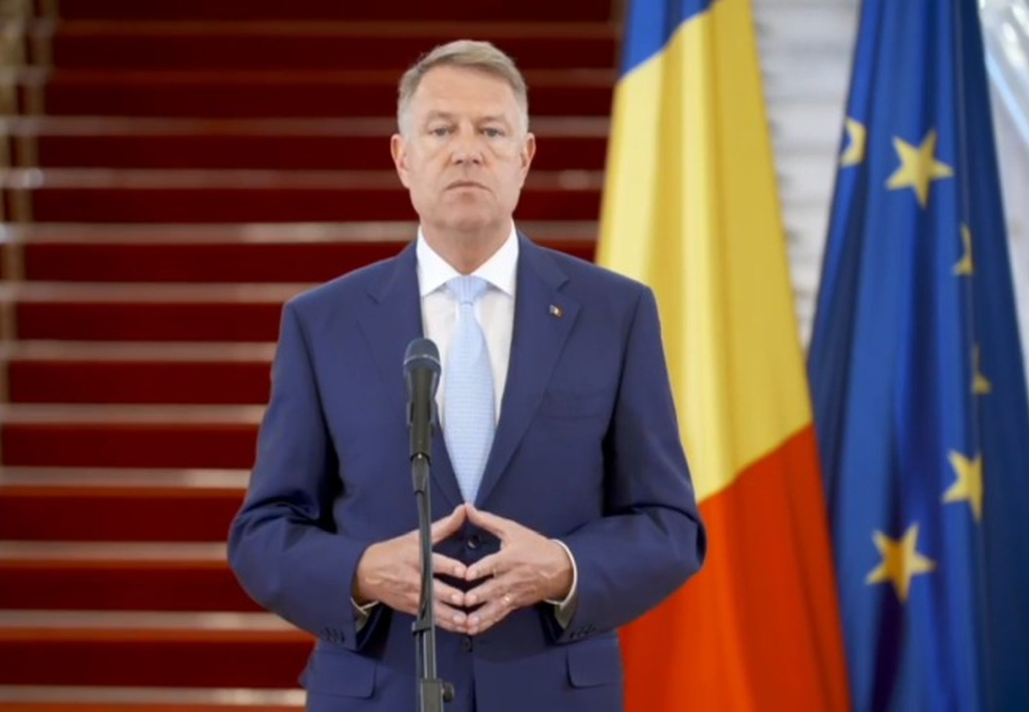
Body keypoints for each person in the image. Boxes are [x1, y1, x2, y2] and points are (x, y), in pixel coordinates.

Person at [228, 39, 705, 712]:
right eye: (441, 130)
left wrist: (563, 569)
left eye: (491, 131)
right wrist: (362, 572)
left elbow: (669, 525)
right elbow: (263, 533)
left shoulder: (615, 313)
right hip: (381, 691)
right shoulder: (323, 322)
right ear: (403, 157)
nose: (467, 151)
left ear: (525, 156)